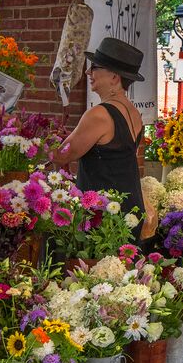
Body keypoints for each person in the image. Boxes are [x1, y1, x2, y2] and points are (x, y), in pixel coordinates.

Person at [51, 37, 146, 238]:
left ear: (114, 77)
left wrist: (38, 140)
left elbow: (61, 156)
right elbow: (112, 153)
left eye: (94, 67)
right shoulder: (133, 112)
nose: (88, 72)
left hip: (103, 216)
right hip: (128, 210)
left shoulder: (99, 114)